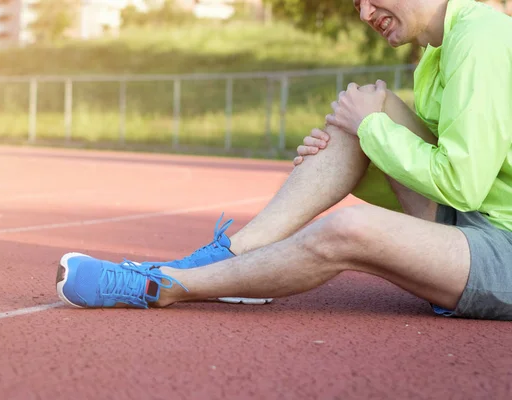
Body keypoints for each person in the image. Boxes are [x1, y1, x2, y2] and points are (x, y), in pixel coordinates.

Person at [56, 0, 512, 320]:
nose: (364, 13)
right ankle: (235, 253)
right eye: (357, 3)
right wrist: (355, 151)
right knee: (365, 107)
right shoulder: (437, 52)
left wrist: (373, 134)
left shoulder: (481, 37)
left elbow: (461, 183)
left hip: (504, 248)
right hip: (476, 222)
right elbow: (451, 175)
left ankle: (168, 286)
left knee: (348, 226)